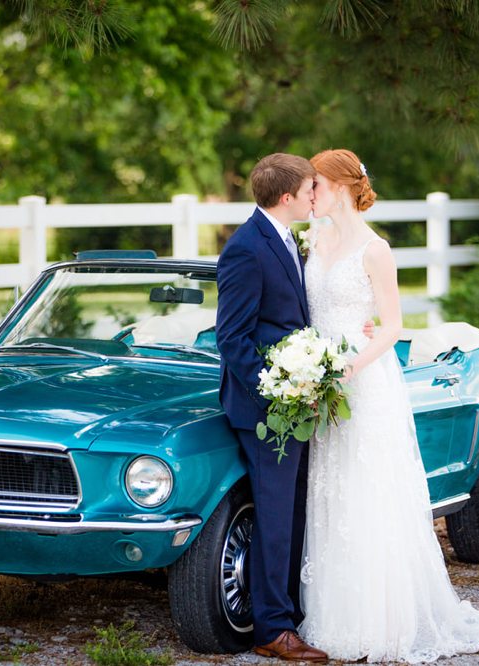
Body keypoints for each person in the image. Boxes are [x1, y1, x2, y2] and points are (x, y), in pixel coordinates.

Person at [297, 148, 479, 662]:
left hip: (361, 380)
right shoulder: (314, 238)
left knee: (366, 491)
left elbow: (392, 325)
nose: (310, 193)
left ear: (340, 187)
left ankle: (381, 622)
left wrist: (348, 368)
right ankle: (333, 614)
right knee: (329, 491)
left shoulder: (375, 250)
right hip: (317, 378)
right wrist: (308, 366)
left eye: (317, 184)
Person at [215, 153, 328, 663]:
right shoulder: (245, 248)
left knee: (294, 513)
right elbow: (232, 338)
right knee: (276, 519)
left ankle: (290, 615)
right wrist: (277, 391)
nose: (313, 197)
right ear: (287, 197)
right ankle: (271, 630)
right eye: (308, 191)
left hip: (295, 403)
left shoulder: (285, 239)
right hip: (265, 410)